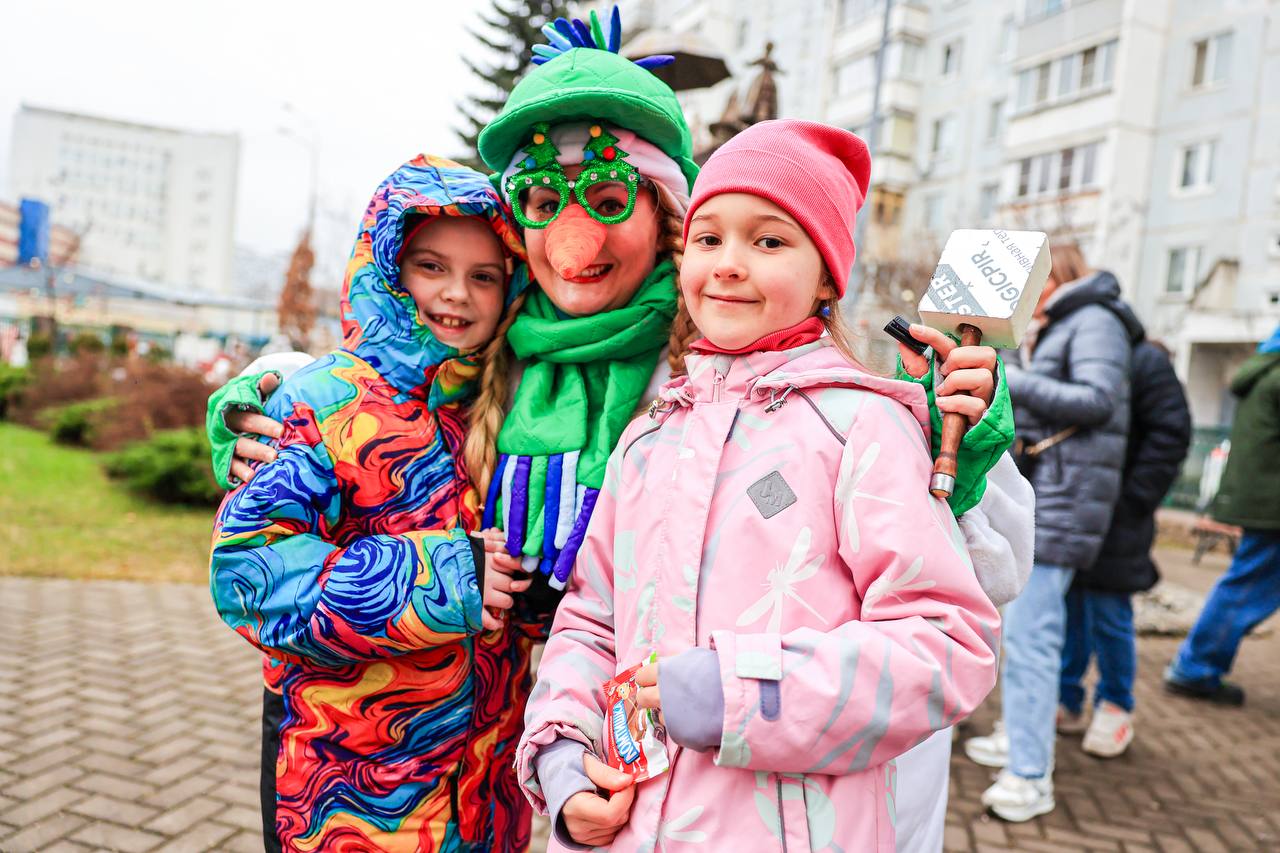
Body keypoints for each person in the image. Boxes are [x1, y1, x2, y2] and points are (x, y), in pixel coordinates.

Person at [203, 8, 1033, 849]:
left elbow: (959, 602)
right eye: (541, 204)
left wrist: (966, 461)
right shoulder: (501, 338)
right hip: (514, 773)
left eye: (609, 198)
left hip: (786, 799)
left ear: (667, 219)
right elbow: (375, 386)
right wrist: (262, 393)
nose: (574, 241)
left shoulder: (731, 354)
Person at [516, 120, 1003, 852]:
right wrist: (563, 761)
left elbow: (944, 643)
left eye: (769, 240)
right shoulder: (649, 437)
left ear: (827, 275)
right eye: (709, 239)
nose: (729, 265)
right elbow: (591, 619)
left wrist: (735, 692)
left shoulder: (862, 427)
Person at [209, 156, 535, 852]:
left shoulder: (515, 406)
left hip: (485, 797)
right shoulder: (321, 403)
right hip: (351, 797)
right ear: (386, 265)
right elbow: (252, 577)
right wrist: (440, 581)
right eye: (431, 266)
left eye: (484, 274)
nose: (457, 293)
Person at [965, 244, 1135, 822]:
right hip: (1056, 493)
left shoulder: (1092, 321)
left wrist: (1008, 379)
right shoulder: (1068, 320)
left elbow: (1097, 399)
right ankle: (1019, 737)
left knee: (1034, 638)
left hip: (1068, 499)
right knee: (1025, 632)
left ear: (1052, 276)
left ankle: (1031, 774)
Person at [1058, 336, 1191, 757]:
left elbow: (1171, 432)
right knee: (1070, 606)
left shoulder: (1144, 360)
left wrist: (1133, 499)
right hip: (1077, 509)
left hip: (1118, 515)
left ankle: (1115, 705)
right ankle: (1067, 698)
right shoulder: (1080, 348)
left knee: (1110, 611)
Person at [1165, 324, 1280, 705]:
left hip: (1261, 497)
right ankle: (1195, 667)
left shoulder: (1264, 368)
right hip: (1271, 503)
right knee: (1247, 586)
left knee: (1247, 582)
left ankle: (1196, 665)